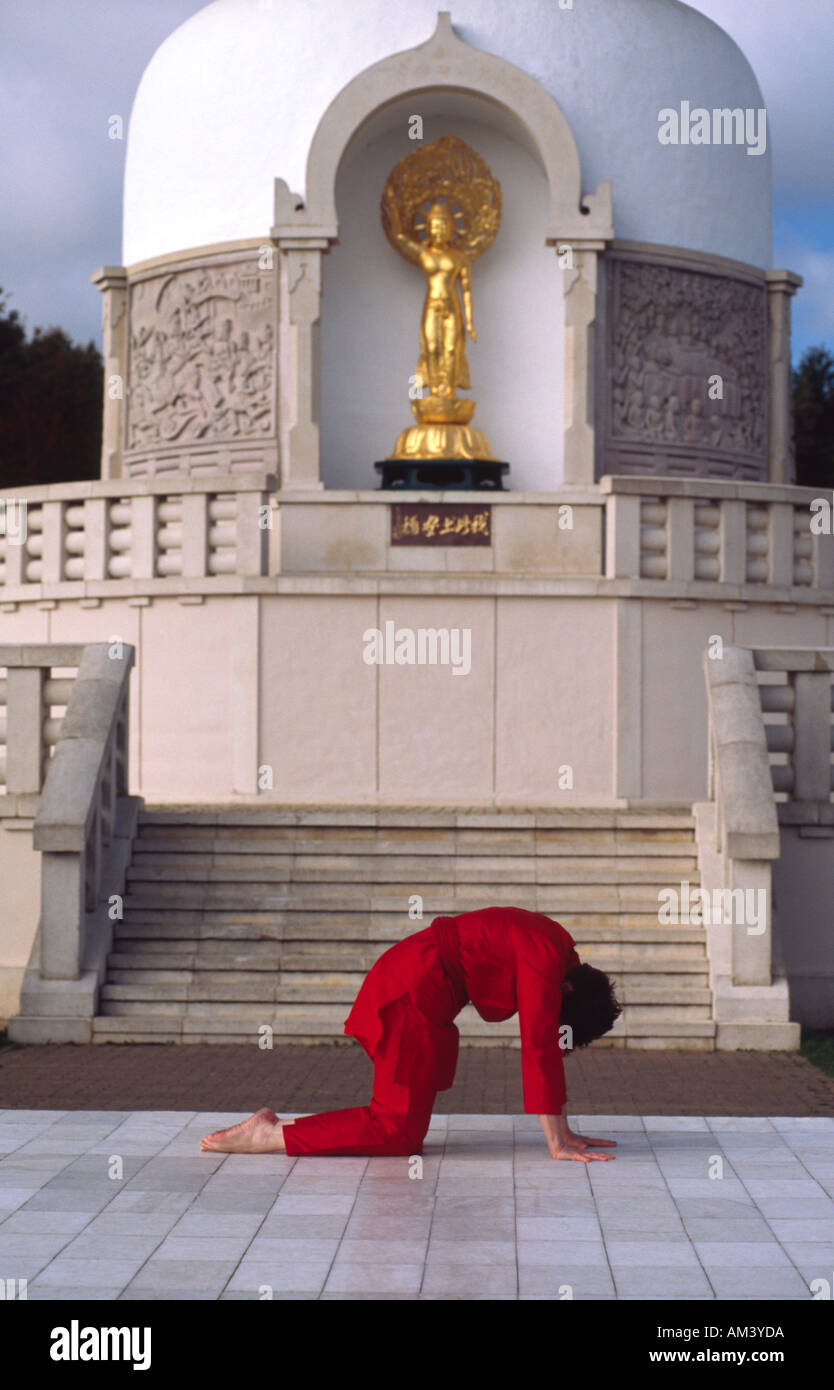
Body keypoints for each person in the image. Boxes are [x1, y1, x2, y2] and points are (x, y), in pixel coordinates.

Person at [200, 905, 622, 1163]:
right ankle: (269, 1136)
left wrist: (565, 1133)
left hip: (420, 989)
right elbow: (537, 1047)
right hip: (409, 994)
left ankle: (276, 1127)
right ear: (567, 991)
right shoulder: (546, 959)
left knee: (401, 1132)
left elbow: (543, 1044)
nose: (555, 1030)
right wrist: (556, 1143)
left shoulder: (558, 949)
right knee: (394, 1131)